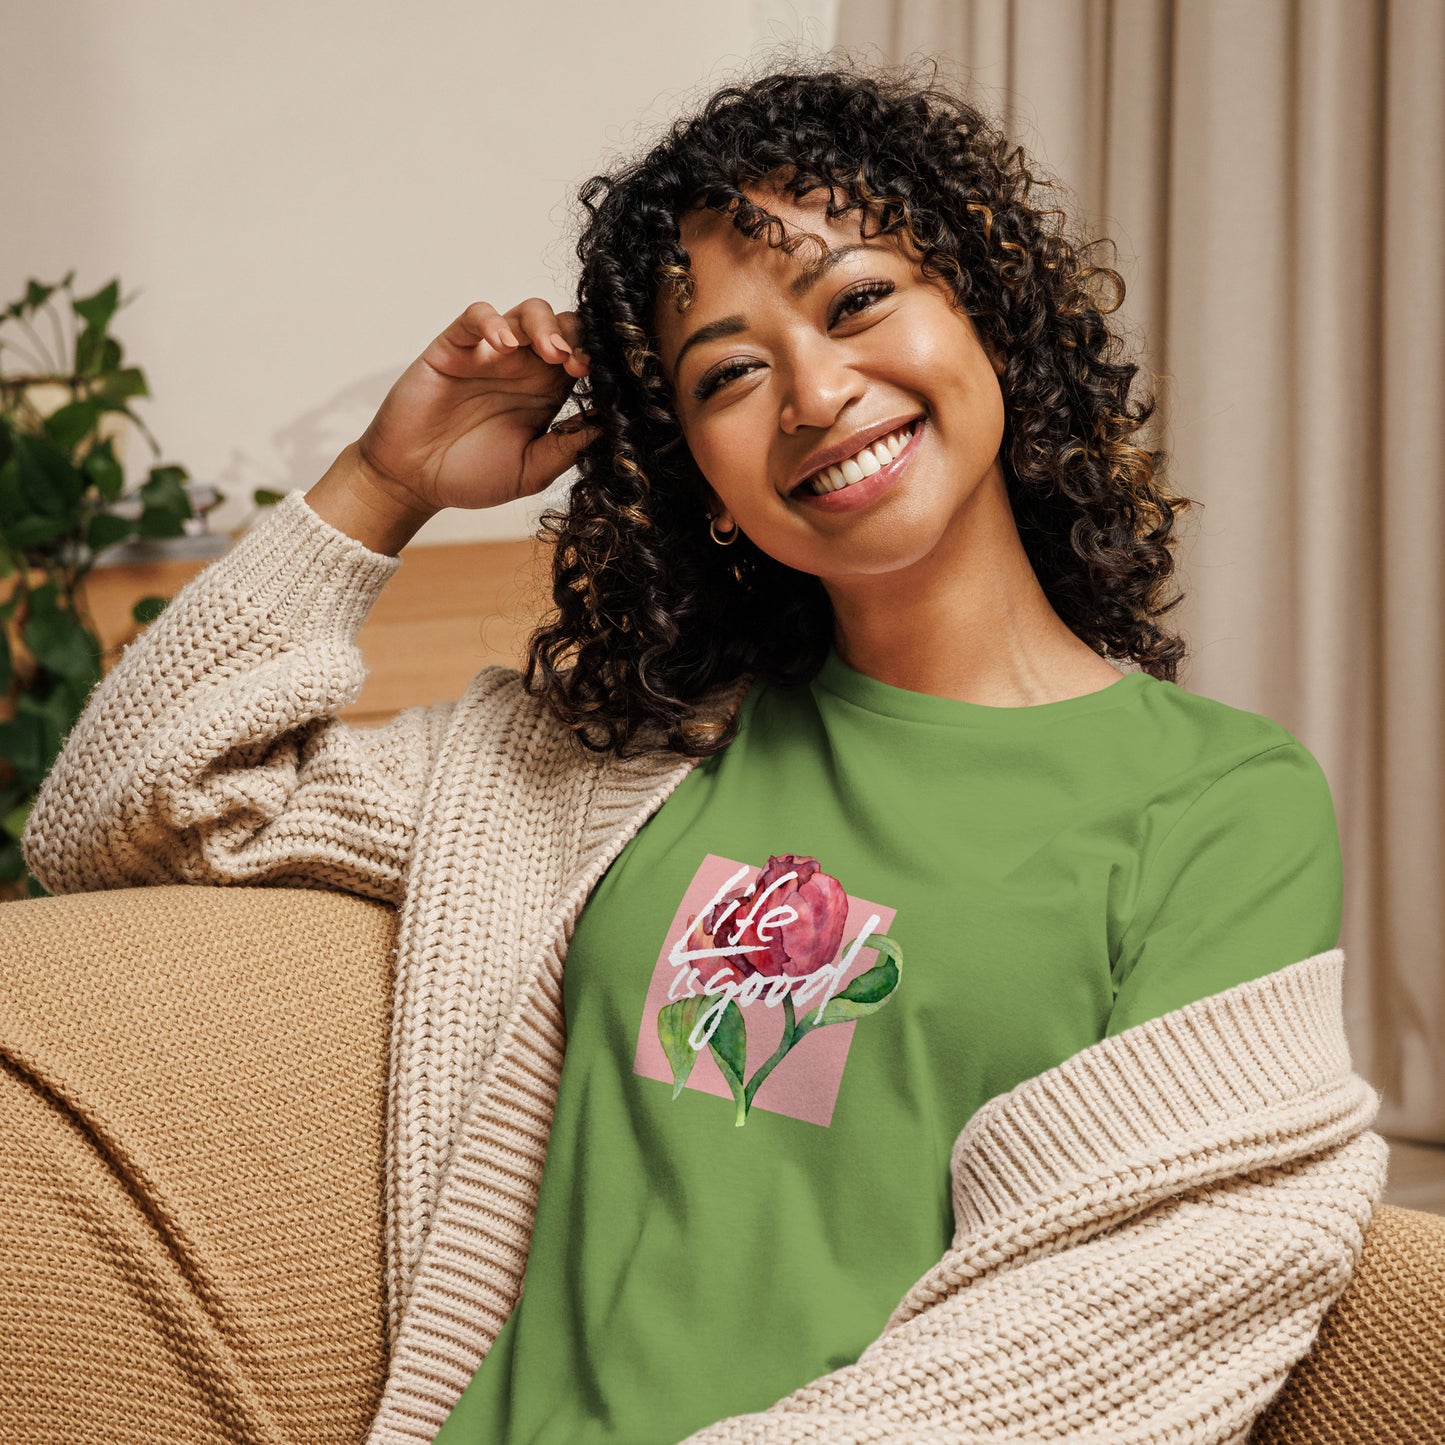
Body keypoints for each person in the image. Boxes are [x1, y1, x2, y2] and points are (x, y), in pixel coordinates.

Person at [16, 60, 1385, 1445]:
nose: (812, 390)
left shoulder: (1214, 800)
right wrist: (382, 483)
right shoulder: (612, 762)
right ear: (702, 480)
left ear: (986, 314)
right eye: (728, 371)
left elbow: (1132, 1305)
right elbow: (127, 814)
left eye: (858, 300)